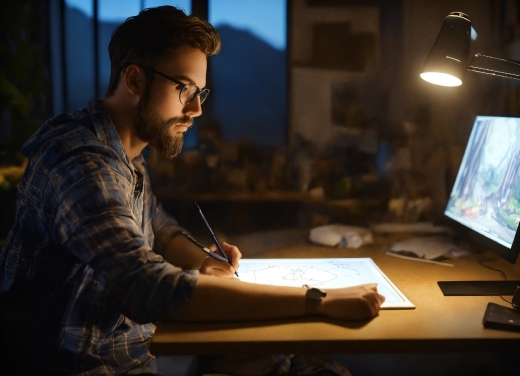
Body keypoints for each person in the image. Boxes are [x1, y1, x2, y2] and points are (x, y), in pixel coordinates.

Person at [0, 6, 385, 375]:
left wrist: (203, 259)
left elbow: (159, 226)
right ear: (134, 80)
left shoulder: (126, 151)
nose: (196, 110)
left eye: (200, 93)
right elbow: (146, 285)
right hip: (88, 368)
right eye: (184, 89)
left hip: (138, 353)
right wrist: (317, 300)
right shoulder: (81, 165)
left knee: (305, 362)